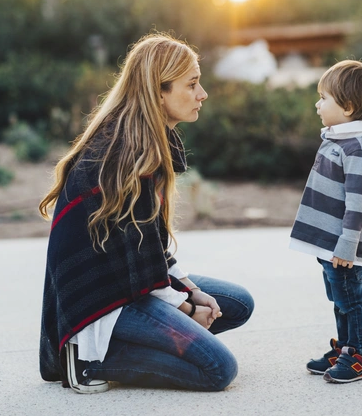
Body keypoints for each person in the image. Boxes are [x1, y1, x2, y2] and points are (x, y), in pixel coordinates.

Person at [38, 33, 254, 394]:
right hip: (99, 300)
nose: (202, 95)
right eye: (192, 84)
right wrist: (185, 309)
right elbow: (136, 263)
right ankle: (89, 360)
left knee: (236, 304)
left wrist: (192, 292)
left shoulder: (144, 142)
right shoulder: (126, 157)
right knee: (218, 369)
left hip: (126, 281)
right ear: (159, 92)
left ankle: (141, 342)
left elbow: (147, 246)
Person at [289, 59, 362, 384]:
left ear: (348, 107)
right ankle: (345, 347)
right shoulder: (338, 141)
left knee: (351, 301)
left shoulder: (358, 150)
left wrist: (347, 246)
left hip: (343, 248)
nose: (317, 104)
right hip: (330, 245)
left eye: (324, 98)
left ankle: (359, 355)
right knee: (339, 300)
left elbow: (358, 204)